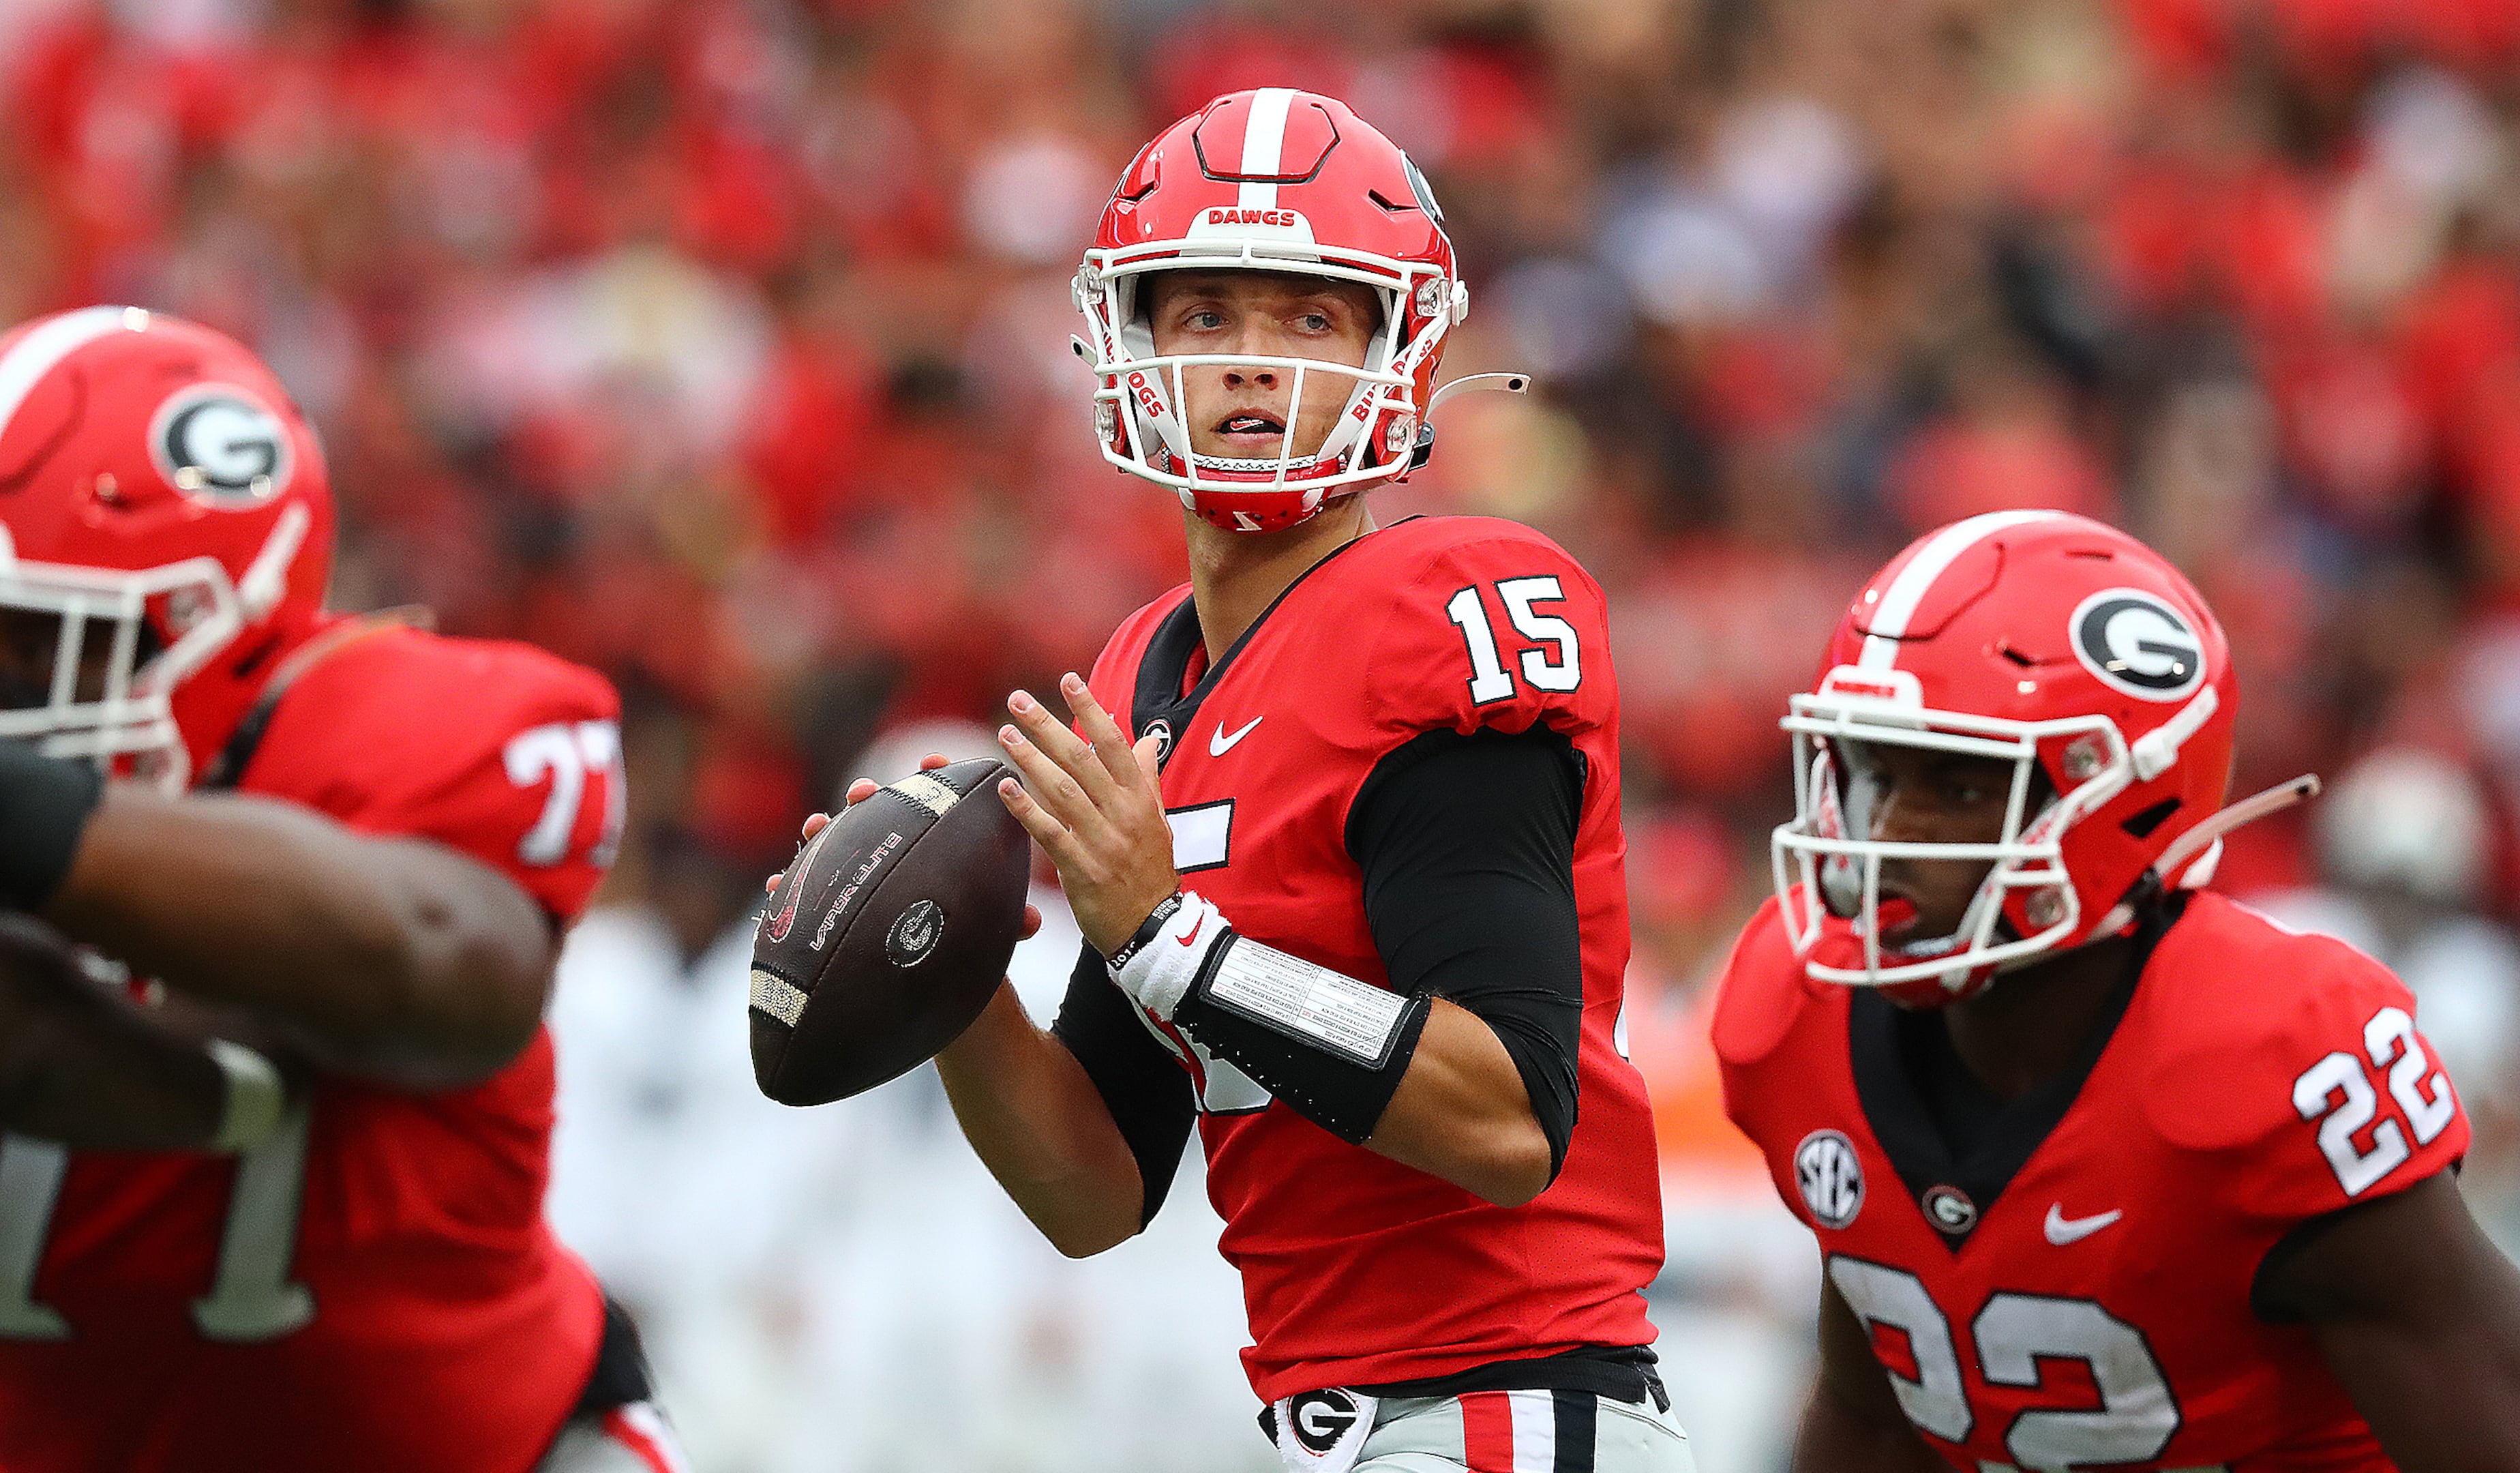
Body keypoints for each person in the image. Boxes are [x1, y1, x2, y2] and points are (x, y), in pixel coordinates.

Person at [785, 89, 1687, 1472]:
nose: (1255, 364)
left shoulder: (1455, 603)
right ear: (1131, 344)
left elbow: (1511, 1118)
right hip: (1335, 1424)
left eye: (1310, 317)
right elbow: (1095, 1187)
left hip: (1511, 1408)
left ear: (1402, 347)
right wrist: (951, 978)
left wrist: (1165, 938)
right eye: (1206, 314)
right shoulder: (1153, 667)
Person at [1710, 509, 2520, 1472]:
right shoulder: (1799, 1010)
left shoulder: (2264, 1062)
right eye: (1874, 772)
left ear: (2121, 800)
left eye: (1960, 786)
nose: (1886, 835)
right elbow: (1881, 1410)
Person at [0, 308, 682, 1473]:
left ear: (208, 624)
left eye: (33, 640)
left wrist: (30, 821)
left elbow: (447, 970)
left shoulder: (407, 737)